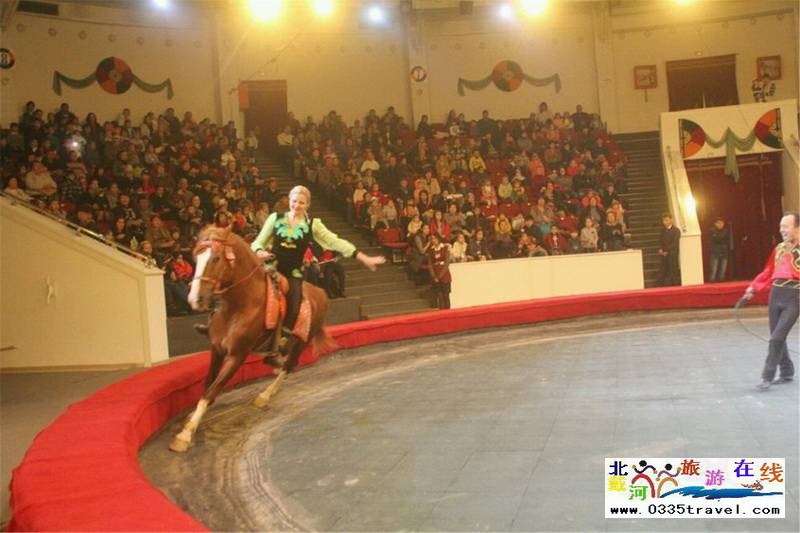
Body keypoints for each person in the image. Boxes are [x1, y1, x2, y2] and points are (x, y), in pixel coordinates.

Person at [251, 185, 385, 360]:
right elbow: (257, 242)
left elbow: (335, 241)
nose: (297, 205)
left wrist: (363, 257)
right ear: (289, 201)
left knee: (295, 304)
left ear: (307, 204)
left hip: (293, 273)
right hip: (271, 267)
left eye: (301, 202)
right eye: (294, 201)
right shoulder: (275, 218)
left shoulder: (312, 224)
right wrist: (259, 251)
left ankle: (281, 343)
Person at [741, 212, 799, 390]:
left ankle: (767, 375)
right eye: (781, 226)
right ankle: (787, 370)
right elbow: (768, 272)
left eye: (786, 226)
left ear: (797, 228)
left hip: (795, 296)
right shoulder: (779, 248)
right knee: (776, 335)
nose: (782, 230)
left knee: (777, 337)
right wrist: (753, 288)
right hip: (776, 294)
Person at [427, 232, 451, 309]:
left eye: (435, 238)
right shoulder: (431, 250)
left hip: (444, 275)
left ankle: (448, 312)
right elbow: (430, 264)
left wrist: (440, 276)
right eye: (432, 239)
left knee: (446, 296)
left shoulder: (445, 248)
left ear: (439, 239)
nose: (433, 240)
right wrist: (434, 276)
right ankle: (441, 312)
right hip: (435, 274)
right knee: (440, 296)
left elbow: (447, 263)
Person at [657, 213, 681, 286]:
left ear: (671, 220)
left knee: (673, 272)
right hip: (664, 254)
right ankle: (659, 286)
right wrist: (661, 249)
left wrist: (666, 250)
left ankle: (675, 286)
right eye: (663, 220)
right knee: (662, 271)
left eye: (666, 220)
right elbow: (660, 241)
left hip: (672, 254)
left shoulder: (676, 230)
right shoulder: (662, 231)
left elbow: (675, 244)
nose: (665, 222)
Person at [708, 217, 731, 282]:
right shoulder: (712, 230)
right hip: (715, 252)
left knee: (723, 271)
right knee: (713, 271)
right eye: (719, 223)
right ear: (715, 224)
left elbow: (727, 240)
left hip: (724, 252)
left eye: (722, 223)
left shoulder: (726, 231)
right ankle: (711, 284)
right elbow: (717, 239)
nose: (721, 224)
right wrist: (721, 238)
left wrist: (719, 238)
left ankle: (721, 283)